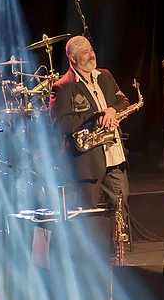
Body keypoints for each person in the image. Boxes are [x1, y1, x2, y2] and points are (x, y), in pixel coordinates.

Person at [49, 35, 130, 211]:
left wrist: (112, 110)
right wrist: (95, 118)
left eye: (91, 50)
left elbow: (123, 101)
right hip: (87, 163)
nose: (91, 55)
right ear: (72, 58)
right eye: (85, 52)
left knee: (121, 209)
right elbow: (59, 122)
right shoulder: (62, 86)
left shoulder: (105, 76)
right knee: (89, 215)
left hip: (113, 154)